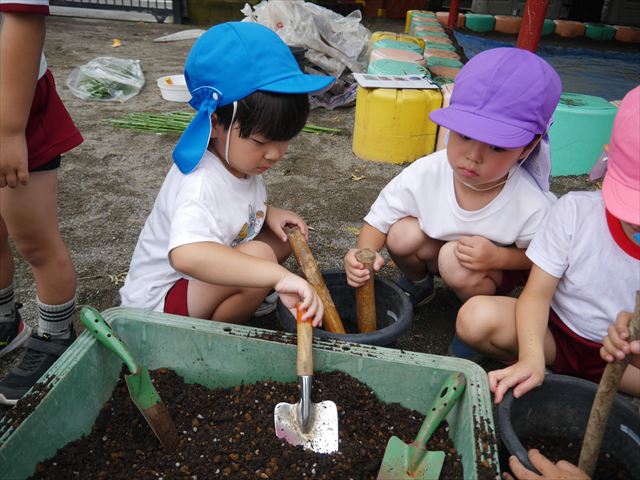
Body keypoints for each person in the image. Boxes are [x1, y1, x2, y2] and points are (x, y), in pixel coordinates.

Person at [344, 47, 561, 357]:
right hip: (436, 252)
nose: (473, 156)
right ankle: (419, 284)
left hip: (486, 270)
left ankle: (475, 321)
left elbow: (543, 260)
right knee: (401, 233)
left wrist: (498, 257)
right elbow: (379, 220)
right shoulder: (428, 171)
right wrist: (361, 253)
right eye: (464, 136)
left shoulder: (530, 201)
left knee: (453, 260)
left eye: (496, 147)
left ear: (527, 148)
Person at [119, 22, 334, 326]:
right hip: (159, 305)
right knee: (261, 257)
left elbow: (228, 205)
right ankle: (218, 332)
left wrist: (268, 213)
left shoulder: (237, 158)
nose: (275, 153)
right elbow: (187, 256)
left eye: (285, 138)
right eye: (260, 141)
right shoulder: (200, 184)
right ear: (215, 123)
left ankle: (249, 292)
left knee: (283, 237)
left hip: (195, 284)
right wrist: (277, 275)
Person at [454, 86, 640, 403]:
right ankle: (540, 366)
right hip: (554, 335)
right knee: (475, 318)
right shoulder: (576, 212)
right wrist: (531, 356)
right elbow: (537, 294)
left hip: (624, 364)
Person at [0, 6, 83, 405]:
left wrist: (9, 131)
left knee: (34, 240)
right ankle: (5, 323)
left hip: (13, 105)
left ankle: (56, 336)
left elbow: (24, 17)